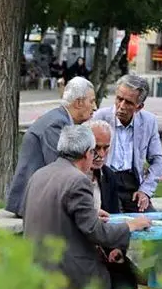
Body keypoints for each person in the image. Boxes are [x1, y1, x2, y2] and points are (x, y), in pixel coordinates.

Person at [22, 124, 151, 289]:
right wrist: (131, 225)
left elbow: (46, 212)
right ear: (87, 153)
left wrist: (90, 212)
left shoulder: (39, 174)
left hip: (38, 264)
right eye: (94, 151)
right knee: (124, 285)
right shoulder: (77, 180)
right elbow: (96, 232)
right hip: (69, 273)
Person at [6, 76, 98, 217]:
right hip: (33, 204)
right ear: (79, 102)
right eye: (91, 101)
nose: (95, 107)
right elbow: (60, 169)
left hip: (39, 199)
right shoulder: (56, 124)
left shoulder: (61, 119)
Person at [85, 119, 145, 289]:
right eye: (96, 149)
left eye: (106, 148)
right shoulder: (73, 178)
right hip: (82, 251)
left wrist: (118, 249)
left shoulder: (108, 176)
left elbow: (114, 216)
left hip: (105, 248)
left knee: (128, 281)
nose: (101, 155)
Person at [93, 74, 162, 213]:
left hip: (132, 183)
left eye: (129, 102)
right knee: (117, 225)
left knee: (152, 224)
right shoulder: (99, 118)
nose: (121, 106)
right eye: (119, 99)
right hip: (105, 180)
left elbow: (158, 160)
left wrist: (145, 190)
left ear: (139, 107)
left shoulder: (149, 121)